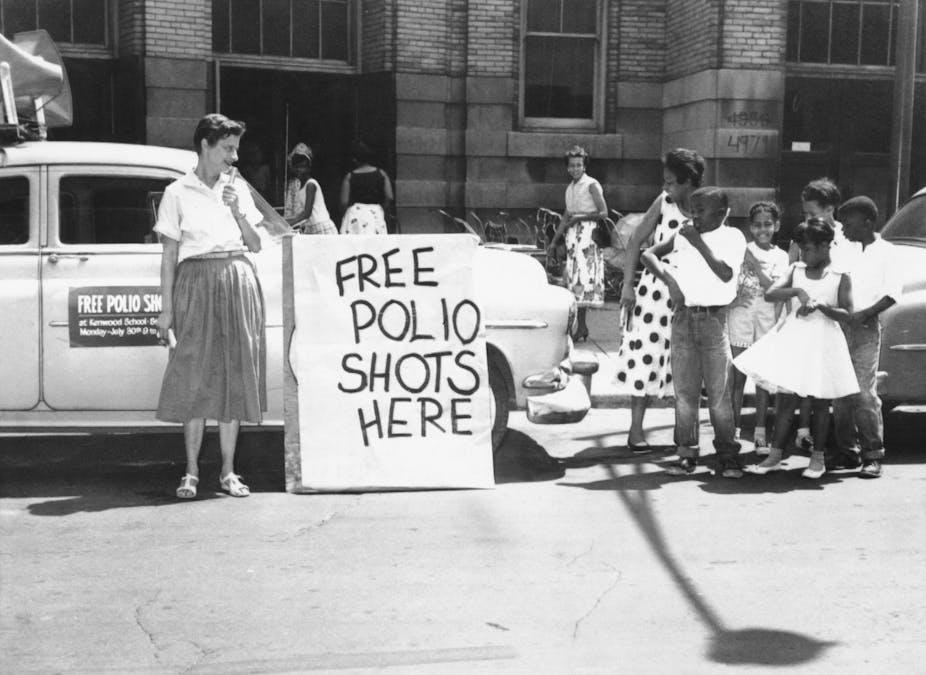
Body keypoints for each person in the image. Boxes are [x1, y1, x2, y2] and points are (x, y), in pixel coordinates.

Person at [154, 113, 267, 500]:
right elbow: (169, 255)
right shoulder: (177, 192)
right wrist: (165, 309)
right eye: (228, 148)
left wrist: (237, 211)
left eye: (236, 149)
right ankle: (190, 471)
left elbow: (255, 245)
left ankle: (228, 472)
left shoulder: (239, 190)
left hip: (236, 281)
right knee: (193, 377)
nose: (233, 158)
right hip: (195, 283)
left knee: (233, 375)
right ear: (205, 144)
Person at [734, 218, 859, 479]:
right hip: (795, 340)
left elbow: (848, 313)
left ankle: (818, 458)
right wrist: (798, 291)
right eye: (801, 249)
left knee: (822, 403)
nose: (804, 254)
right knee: (786, 400)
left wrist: (822, 306)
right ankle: (776, 454)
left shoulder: (840, 275)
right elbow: (771, 294)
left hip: (824, 343)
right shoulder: (797, 270)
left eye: (809, 249)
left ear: (826, 246)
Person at [641, 187, 747, 478]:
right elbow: (648, 254)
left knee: (719, 394)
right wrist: (670, 282)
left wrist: (697, 242)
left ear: (722, 213)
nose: (695, 216)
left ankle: (727, 456)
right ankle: (686, 453)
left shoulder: (732, 237)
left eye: (702, 211)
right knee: (685, 394)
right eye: (694, 210)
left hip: (714, 320)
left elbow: (725, 273)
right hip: (684, 318)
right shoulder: (684, 235)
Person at [614, 148, 705, 452]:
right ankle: (635, 430)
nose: (665, 187)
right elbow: (636, 242)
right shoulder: (663, 203)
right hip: (655, 294)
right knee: (646, 357)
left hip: (691, 295)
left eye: (671, 182)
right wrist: (628, 285)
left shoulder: (708, 208)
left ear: (689, 181)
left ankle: (686, 435)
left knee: (687, 365)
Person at [830, 196, 903, 478]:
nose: (844, 229)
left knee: (863, 393)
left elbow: (892, 294)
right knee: (840, 393)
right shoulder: (843, 249)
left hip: (866, 329)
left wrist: (865, 314)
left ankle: (873, 454)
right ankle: (847, 451)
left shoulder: (888, 252)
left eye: (849, 223)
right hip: (840, 327)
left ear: (868, 222)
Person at [789, 178, 861, 453]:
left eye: (812, 212)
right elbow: (793, 270)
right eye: (805, 213)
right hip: (811, 317)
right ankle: (808, 435)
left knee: (840, 384)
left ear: (830, 208)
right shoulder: (806, 235)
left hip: (839, 317)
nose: (807, 218)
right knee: (810, 379)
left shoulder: (847, 238)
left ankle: (847, 446)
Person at [726, 202, 789, 452]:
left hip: (766, 321)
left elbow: (773, 290)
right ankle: (732, 431)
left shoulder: (781, 256)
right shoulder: (740, 250)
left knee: (762, 381)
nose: (762, 229)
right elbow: (730, 283)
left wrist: (753, 263)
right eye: (757, 225)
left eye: (768, 225)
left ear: (776, 226)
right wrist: (735, 297)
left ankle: (761, 433)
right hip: (740, 318)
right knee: (738, 378)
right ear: (750, 227)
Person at [546, 145, 608, 341]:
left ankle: (580, 327)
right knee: (573, 280)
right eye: (572, 165)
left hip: (587, 236)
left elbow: (603, 212)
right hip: (574, 237)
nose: (575, 169)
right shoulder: (571, 188)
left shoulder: (591, 185)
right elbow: (566, 215)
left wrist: (580, 218)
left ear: (584, 166)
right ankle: (581, 326)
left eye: (579, 165)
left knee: (583, 279)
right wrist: (554, 241)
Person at [339, 139, 394, 235]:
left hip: (355, 215)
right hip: (375, 213)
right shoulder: (381, 173)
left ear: (355, 159)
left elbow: (344, 202)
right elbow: (389, 197)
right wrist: (383, 208)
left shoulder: (350, 176)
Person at [284, 142, 337, 235]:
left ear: (308, 168)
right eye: (297, 167)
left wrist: (289, 223)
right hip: (312, 226)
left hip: (320, 226)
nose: (299, 170)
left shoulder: (310, 185)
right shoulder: (300, 186)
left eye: (302, 167)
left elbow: (307, 213)